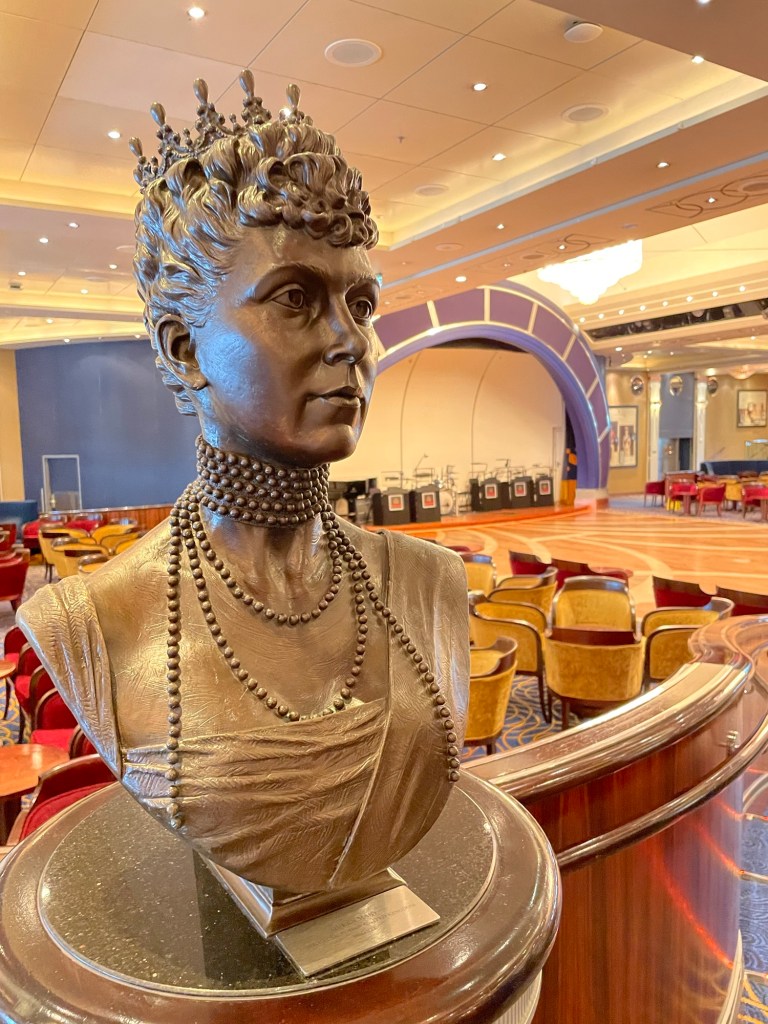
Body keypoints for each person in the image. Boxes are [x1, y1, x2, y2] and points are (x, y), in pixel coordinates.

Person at [18, 75, 468, 896]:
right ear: (185, 347)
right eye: (296, 298)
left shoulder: (431, 584)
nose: (352, 342)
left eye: (361, 303)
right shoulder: (94, 622)